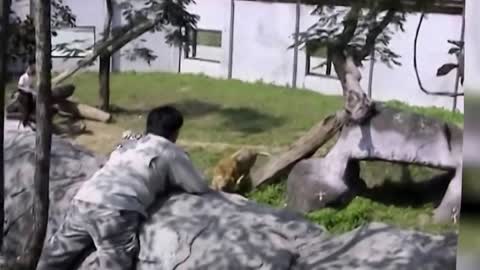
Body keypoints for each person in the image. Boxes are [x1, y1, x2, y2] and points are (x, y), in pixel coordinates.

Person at [37, 105, 211, 270]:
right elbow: (198, 186)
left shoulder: (130, 143)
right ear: (175, 132)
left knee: (54, 259)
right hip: (116, 210)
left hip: (84, 200)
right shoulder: (169, 150)